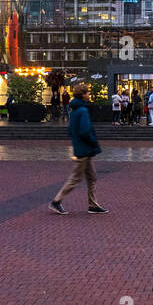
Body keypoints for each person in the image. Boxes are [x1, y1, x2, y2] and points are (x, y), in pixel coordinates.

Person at [49, 83, 108, 215]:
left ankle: (93, 204)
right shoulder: (83, 110)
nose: (89, 94)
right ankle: (56, 201)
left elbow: (71, 130)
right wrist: (93, 143)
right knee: (75, 178)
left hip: (81, 148)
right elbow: (85, 130)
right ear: (82, 95)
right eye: (87, 93)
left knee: (92, 177)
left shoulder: (74, 110)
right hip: (84, 150)